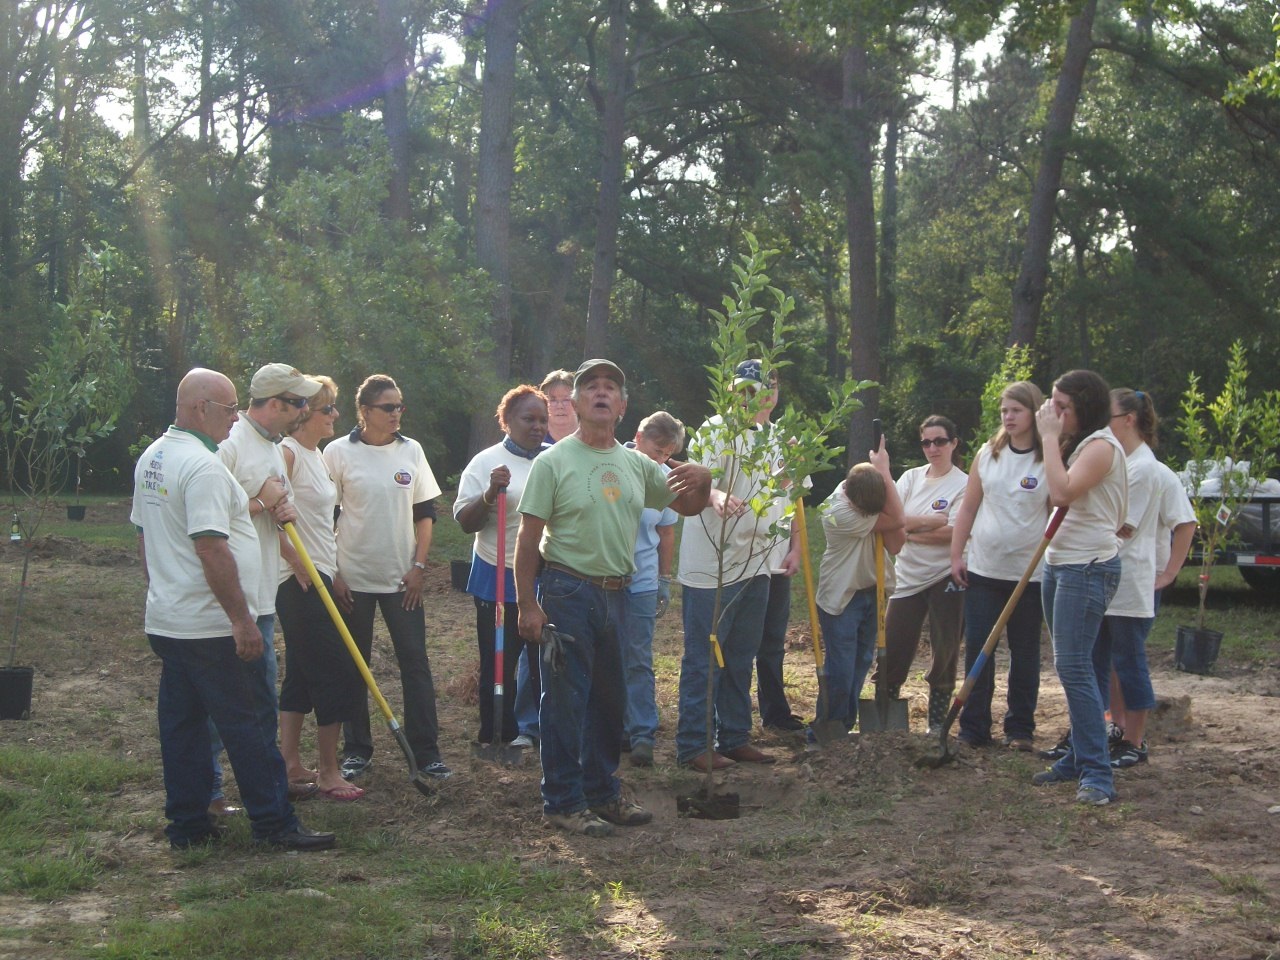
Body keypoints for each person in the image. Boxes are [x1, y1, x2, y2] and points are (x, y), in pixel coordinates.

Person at [132, 367, 334, 851]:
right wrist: (242, 620)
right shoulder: (202, 467)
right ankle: (274, 824)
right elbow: (211, 548)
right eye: (226, 409)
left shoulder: (153, 458)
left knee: (182, 727)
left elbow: (144, 536)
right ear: (201, 409)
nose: (233, 417)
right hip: (211, 627)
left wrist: (161, 590)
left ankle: (188, 824)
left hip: (170, 621)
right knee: (251, 724)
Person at [515, 359, 711, 838]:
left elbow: (686, 505)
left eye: (611, 388)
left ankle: (602, 793)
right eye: (591, 387)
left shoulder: (637, 464)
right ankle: (562, 800)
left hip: (619, 593)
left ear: (622, 407)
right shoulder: (553, 461)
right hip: (566, 590)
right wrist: (526, 604)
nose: (601, 393)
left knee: (609, 700)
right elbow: (527, 537)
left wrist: (703, 478)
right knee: (565, 699)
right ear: (577, 403)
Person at [324, 374, 451, 782]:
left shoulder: (410, 451)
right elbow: (324, 516)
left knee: (415, 663)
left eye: (400, 406)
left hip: (402, 582)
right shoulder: (337, 452)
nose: (397, 413)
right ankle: (357, 750)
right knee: (352, 665)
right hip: (352, 578)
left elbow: (425, 514)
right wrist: (335, 574)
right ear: (365, 411)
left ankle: (426, 752)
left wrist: (419, 567)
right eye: (388, 407)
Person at [676, 359, 799, 772]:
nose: (749, 398)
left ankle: (734, 736)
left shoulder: (779, 438)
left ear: (773, 392)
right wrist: (716, 497)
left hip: (758, 564)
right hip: (713, 566)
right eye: (742, 390)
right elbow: (699, 480)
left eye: (758, 390)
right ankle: (694, 744)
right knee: (704, 657)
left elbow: (790, 494)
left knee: (742, 653)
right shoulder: (717, 430)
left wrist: (794, 543)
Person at [210, 362, 322, 815]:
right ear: (274, 403)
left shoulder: (275, 449)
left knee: (260, 700)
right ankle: (218, 794)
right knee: (222, 699)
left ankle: (266, 787)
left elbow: (269, 517)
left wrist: (293, 550)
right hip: (230, 596)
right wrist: (263, 501)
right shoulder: (229, 445)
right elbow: (212, 519)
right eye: (298, 403)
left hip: (262, 593)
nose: (304, 410)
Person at [1031, 370, 1127, 806]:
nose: (1052, 413)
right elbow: (1052, 498)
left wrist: (1049, 437)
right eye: (1051, 404)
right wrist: (1056, 439)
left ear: (1083, 408)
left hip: (1086, 569)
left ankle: (1097, 773)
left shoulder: (1102, 447)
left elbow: (1063, 491)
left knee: (1075, 668)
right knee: (1071, 667)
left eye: (1062, 406)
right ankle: (1078, 757)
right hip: (1060, 564)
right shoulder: (1080, 445)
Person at [1094, 389, 1197, 769]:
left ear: (1130, 420)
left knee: (1128, 659)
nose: (1102, 425)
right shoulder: (1122, 462)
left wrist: (1169, 571)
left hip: (1135, 580)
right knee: (1114, 661)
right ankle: (1117, 728)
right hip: (1111, 577)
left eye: (1108, 417)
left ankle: (1135, 740)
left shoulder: (1148, 470)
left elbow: (1183, 524)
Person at [276, 376, 367, 801]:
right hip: (298, 582)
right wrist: (298, 564)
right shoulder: (287, 453)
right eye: (327, 409)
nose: (335, 415)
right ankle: (329, 771)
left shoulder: (315, 455)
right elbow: (265, 516)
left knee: (299, 674)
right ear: (303, 413)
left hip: (323, 576)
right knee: (335, 672)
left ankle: (290, 764)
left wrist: (331, 570)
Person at [951, 382, 1052, 751]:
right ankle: (974, 727)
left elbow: (1057, 508)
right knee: (979, 647)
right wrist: (956, 554)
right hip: (984, 570)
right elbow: (968, 508)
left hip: (1029, 575)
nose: (1008, 417)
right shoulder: (987, 454)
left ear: (1034, 413)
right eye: (1004, 411)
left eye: (1016, 410)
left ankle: (1020, 729)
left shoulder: (1047, 458)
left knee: (1025, 652)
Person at [454, 385, 549, 747]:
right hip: (497, 574)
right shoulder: (485, 462)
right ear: (506, 421)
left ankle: (541, 731)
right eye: (529, 419)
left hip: (546, 576)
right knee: (499, 662)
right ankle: (496, 734)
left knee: (545, 662)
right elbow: (466, 521)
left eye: (542, 419)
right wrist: (490, 494)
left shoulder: (554, 458)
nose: (538, 426)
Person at [879, 415, 968, 733]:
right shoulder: (911, 479)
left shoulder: (964, 483)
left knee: (945, 649)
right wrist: (931, 522)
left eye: (940, 441)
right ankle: (885, 715)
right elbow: (892, 518)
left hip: (947, 575)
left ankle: (937, 722)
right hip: (908, 574)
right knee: (894, 644)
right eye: (926, 442)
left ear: (954, 443)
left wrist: (909, 528)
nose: (933, 448)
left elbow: (956, 532)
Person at [814, 439, 906, 728]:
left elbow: (896, 543)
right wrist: (887, 472)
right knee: (840, 669)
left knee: (860, 663)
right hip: (842, 597)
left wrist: (882, 472)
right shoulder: (836, 512)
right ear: (850, 497)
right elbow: (899, 520)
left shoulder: (864, 498)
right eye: (864, 510)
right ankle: (828, 728)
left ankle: (844, 724)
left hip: (872, 592)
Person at [510, 367, 580, 746]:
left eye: (564, 398)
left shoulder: (595, 444)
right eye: (551, 399)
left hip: (579, 565)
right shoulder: (535, 445)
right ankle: (528, 723)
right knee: (533, 641)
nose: (557, 406)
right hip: (539, 564)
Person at [620, 411, 685, 767]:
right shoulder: (613, 465)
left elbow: (665, 532)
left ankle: (642, 731)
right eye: (656, 448)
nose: (659, 457)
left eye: (666, 452)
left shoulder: (664, 479)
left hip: (642, 580)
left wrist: (664, 579)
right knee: (607, 655)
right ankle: (612, 726)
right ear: (639, 436)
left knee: (638, 657)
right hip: (604, 576)